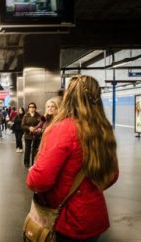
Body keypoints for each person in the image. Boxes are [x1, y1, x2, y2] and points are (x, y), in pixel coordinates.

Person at [26, 75, 119, 241]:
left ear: (68, 97)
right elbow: (112, 176)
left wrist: (32, 173)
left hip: (66, 221)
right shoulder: (104, 128)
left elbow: (39, 181)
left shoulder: (63, 128)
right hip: (94, 217)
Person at [21, 102, 41, 168]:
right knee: (27, 149)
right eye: (30, 107)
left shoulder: (39, 115)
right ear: (28, 108)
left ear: (35, 108)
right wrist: (29, 128)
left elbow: (41, 124)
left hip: (36, 135)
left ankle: (34, 163)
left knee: (35, 150)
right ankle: (26, 162)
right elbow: (22, 125)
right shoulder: (26, 116)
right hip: (28, 135)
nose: (31, 108)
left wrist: (38, 129)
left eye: (33, 107)